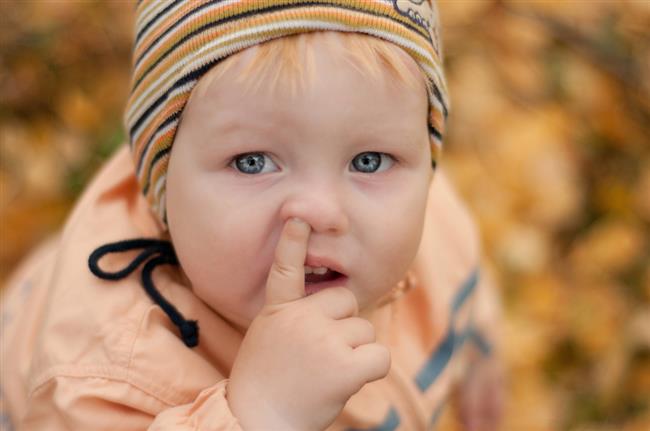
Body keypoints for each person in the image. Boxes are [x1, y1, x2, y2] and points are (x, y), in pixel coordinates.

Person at [1, 1, 503, 430]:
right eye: (253, 162)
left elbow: (454, 271)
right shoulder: (101, 377)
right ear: (162, 180)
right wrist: (260, 414)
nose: (321, 211)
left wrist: (477, 342)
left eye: (367, 161)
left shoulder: (428, 219)